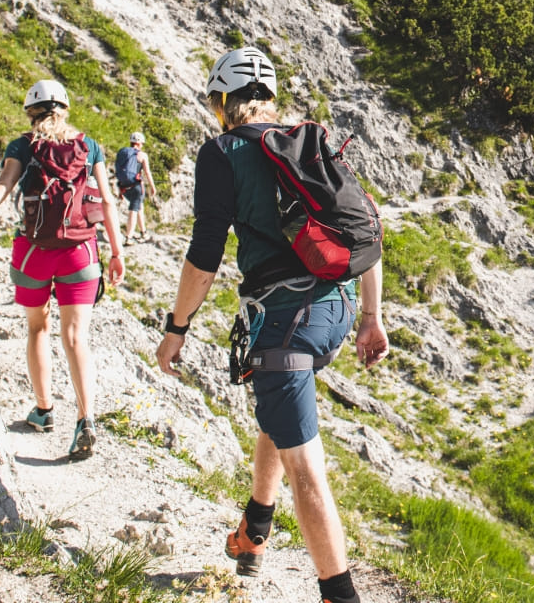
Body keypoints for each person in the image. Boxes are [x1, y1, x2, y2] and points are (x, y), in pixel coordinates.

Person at [155, 47, 388, 603]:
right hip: (337, 309)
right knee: (279, 410)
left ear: (222, 102)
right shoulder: (306, 142)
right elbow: (366, 228)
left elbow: (205, 255)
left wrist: (177, 326)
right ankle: (254, 531)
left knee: (305, 462)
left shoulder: (221, 153)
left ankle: (339, 592)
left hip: (284, 322)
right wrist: (372, 318)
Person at [0, 79, 126, 460]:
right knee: (76, 337)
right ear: (66, 109)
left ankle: (43, 411)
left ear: (30, 112)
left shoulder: (23, 146)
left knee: (38, 327)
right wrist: (117, 252)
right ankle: (86, 417)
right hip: (81, 252)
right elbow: (107, 201)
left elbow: (2, 186)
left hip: (32, 252)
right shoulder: (89, 146)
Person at [113, 130, 159, 242]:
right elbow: (147, 172)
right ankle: (128, 237)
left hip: (124, 187)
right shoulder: (142, 155)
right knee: (133, 210)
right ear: (139, 143)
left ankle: (144, 232)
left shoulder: (123, 153)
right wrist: (153, 187)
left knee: (139, 207)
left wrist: (120, 190)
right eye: (142, 144)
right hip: (136, 186)